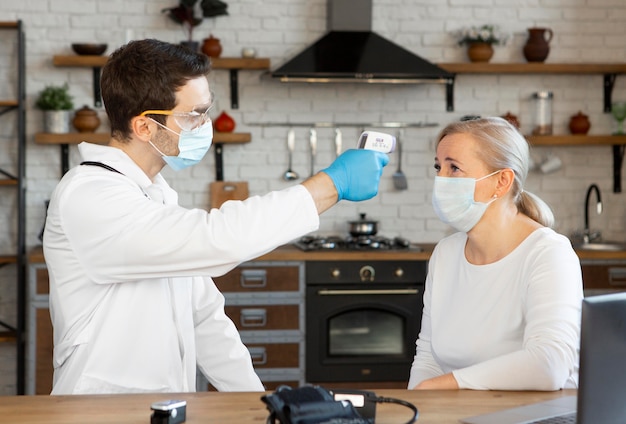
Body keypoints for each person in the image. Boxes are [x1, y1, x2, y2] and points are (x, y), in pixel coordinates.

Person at [43, 39, 389, 395]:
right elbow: (218, 238)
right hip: (99, 408)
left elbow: (205, 318)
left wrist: (256, 401)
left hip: (161, 407)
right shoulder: (90, 194)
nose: (204, 124)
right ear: (145, 127)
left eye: (205, 111)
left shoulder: (154, 196)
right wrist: (329, 186)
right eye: (193, 114)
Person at [408, 117, 583, 391]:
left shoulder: (548, 254)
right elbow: (428, 356)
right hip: (460, 416)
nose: (440, 179)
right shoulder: (445, 254)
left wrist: (448, 384)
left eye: (454, 168)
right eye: (438, 167)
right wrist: (416, 409)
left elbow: (550, 364)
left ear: (501, 181)